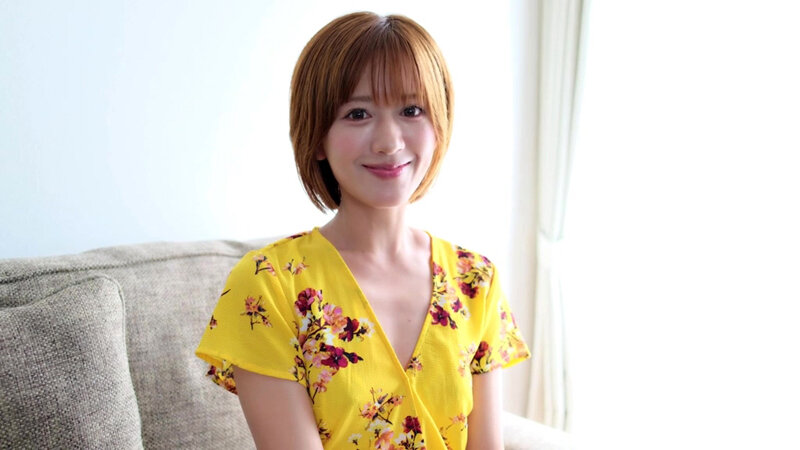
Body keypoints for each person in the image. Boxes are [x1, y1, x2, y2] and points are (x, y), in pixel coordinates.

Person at [195, 11, 530, 450]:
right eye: (357, 113)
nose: (389, 142)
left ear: (440, 124)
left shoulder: (475, 280)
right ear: (317, 136)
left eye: (411, 110)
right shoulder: (268, 285)